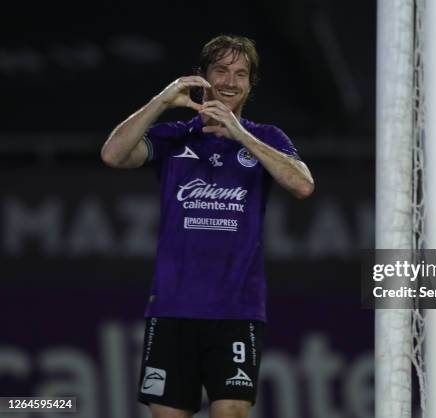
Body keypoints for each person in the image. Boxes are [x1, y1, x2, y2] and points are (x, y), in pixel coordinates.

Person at [100, 34, 314, 418]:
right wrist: (162, 100)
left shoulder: (265, 138)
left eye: (241, 74)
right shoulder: (175, 137)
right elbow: (113, 155)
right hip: (172, 307)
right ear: (202, 77)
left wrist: (239, 134)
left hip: (236, 309)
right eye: (221, 70)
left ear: (251, 84)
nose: (230, 82)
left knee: (230, 410)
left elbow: (302, 184)